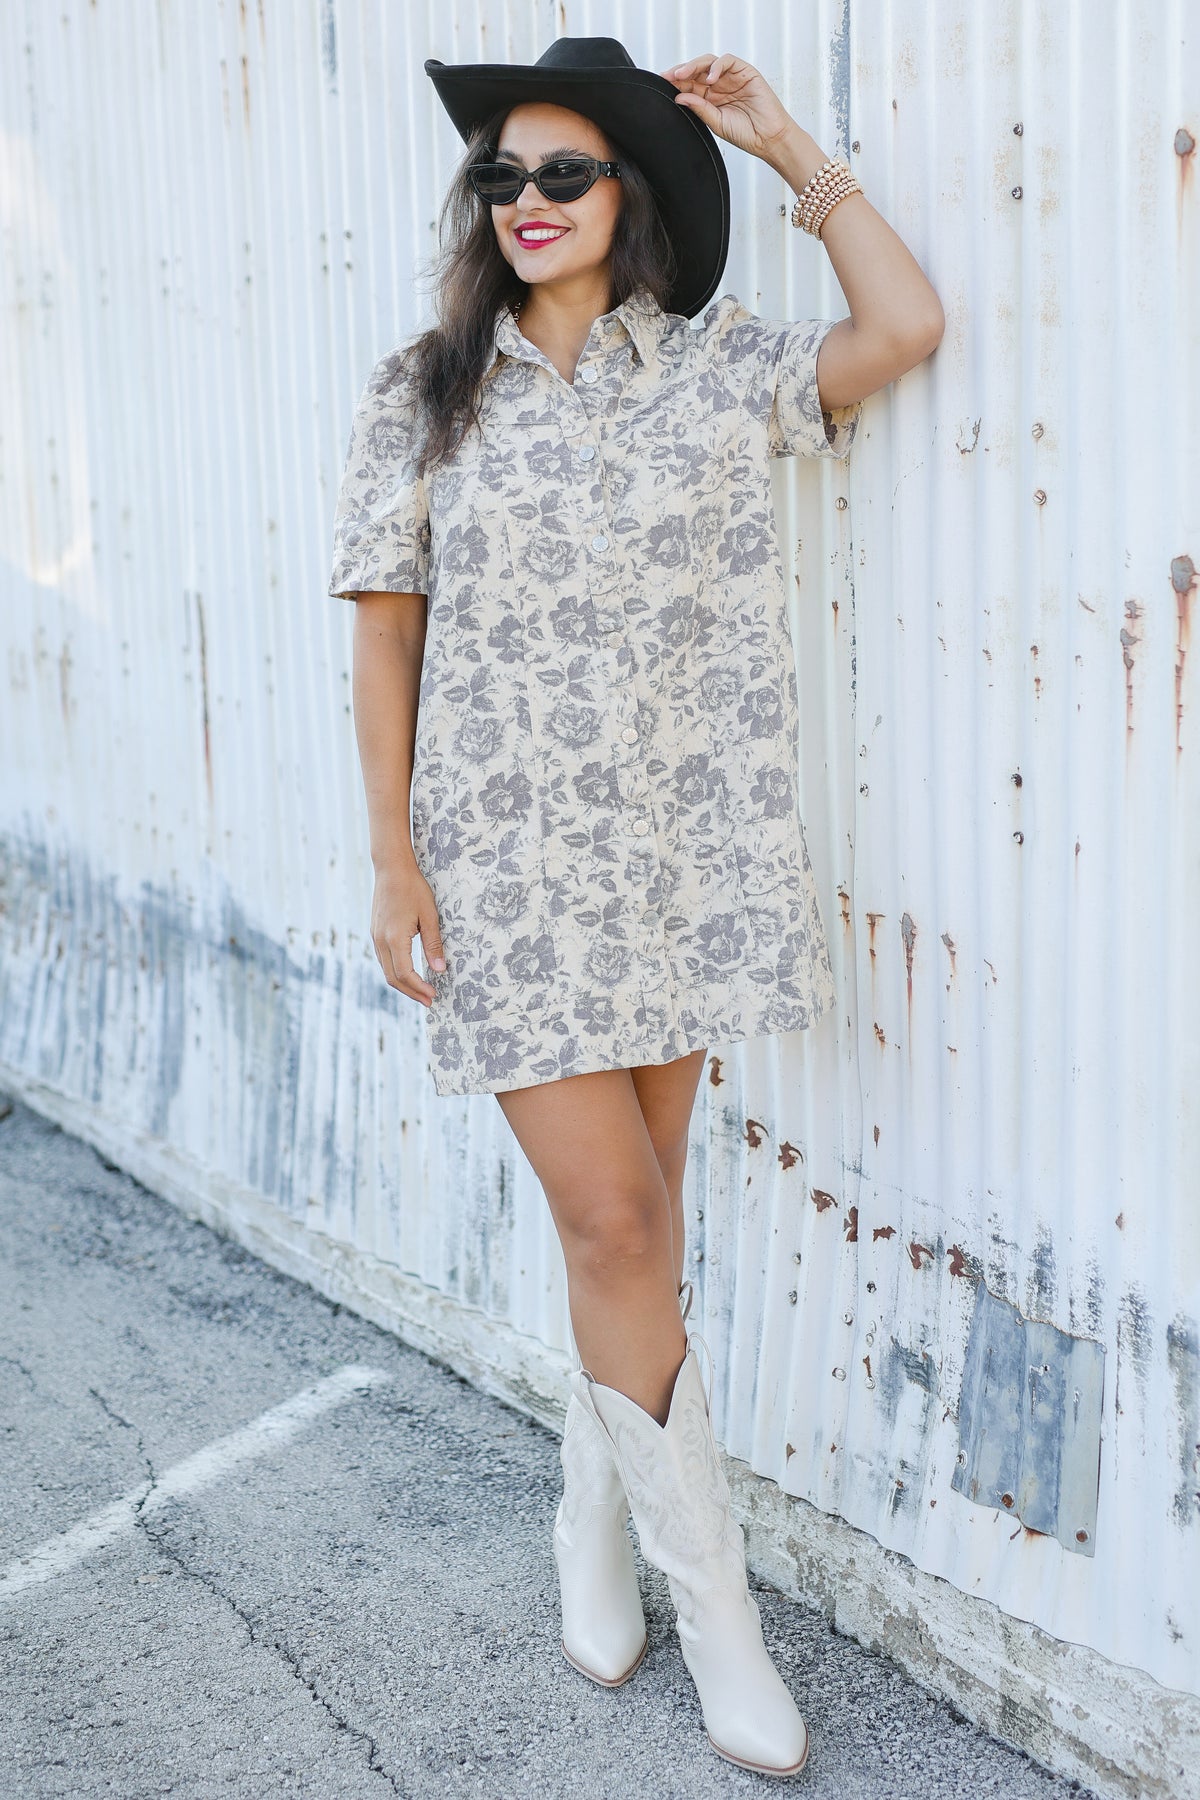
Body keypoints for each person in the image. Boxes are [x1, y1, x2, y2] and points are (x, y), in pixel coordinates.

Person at [327, 34, 943, 1780]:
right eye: (502, 179)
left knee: (646, 1223)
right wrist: (393, 855)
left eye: (563, 175)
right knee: (613, 1224)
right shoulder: (420, 395)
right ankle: (721, 1618)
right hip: (508, 873)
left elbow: (903, 328)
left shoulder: (720, 374)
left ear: (631, 203)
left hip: (688, 858)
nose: (523, 203)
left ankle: (597, 1507)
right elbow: (384, 624)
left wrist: (787, 144)